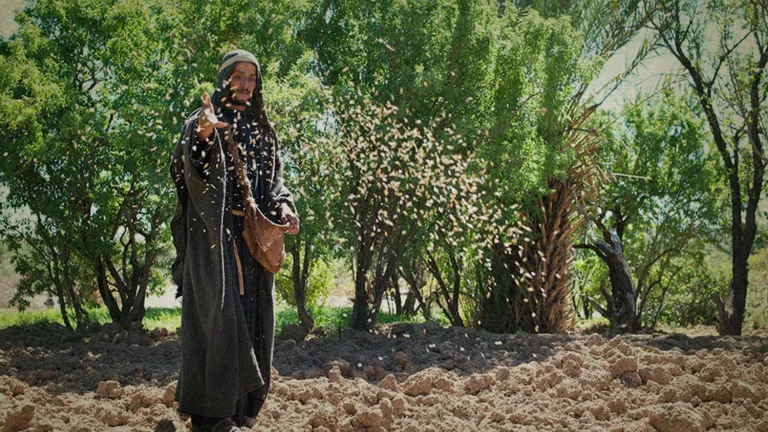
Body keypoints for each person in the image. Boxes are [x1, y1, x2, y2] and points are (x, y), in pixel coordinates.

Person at [169, 49, 299, 432]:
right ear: (224, 78)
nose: (245, 84)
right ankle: (211, 417)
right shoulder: (204, 120)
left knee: (255, 324)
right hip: (216, 245)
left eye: (251, 78)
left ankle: (241, 413)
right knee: (220, 325)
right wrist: (204, 136)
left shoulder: (262, 128)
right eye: (238, 76)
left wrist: (285, 208)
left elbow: (275, 183)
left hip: (252, 244)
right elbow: (186, 166)